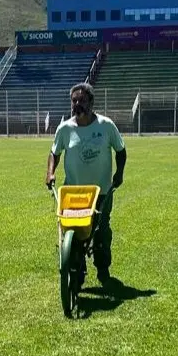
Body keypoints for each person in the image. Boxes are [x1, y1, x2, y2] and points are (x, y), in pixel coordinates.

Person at [45, 82, 127, 283]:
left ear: (91, 102)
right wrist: (50, 173)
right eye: (74, 101)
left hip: (101, 192)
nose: (77, 104)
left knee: (100, 231)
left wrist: (119, 174)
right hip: (74, 193)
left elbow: (121, 150)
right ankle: (75, 267)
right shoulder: (65, 128)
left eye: (81, 100)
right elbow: (54, 153)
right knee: (73, 231)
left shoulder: (106, 125)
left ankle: (103, 270)